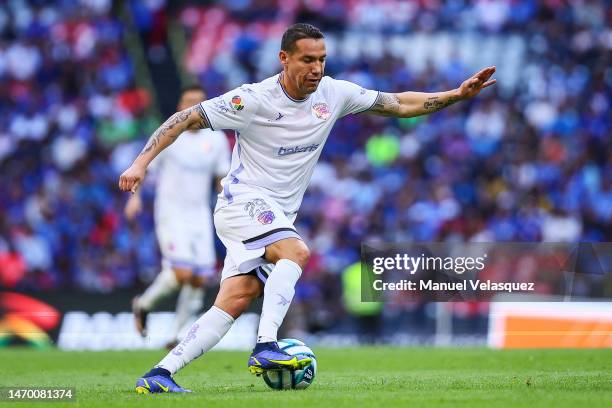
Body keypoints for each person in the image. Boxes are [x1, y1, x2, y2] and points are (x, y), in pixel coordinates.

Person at [119, 23, 496, 393]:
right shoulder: (252, 98)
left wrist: (456, 95)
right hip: (242, 202)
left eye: (322, 59)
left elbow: (397, 103)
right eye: (307, 60)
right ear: (284, 58)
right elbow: (184, 118)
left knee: (235, 299)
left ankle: (160, 373)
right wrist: (140, 163)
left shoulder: (334, 93)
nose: (316, 68)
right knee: (296, 251)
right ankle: (267, 345)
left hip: (276, 214)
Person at [126, 85, 230, 349]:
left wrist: (231, 199)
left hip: (200, 215)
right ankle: (143, 305)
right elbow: (145, 166)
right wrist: (134, 197)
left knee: (200, 277)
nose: (194, 108)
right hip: (171, 212)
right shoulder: (169, 136)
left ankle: (176, 336)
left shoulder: (216, 140)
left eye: (199, 103)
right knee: (182, 272)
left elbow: (221, 177)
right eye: (189, 103)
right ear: (180, 107)